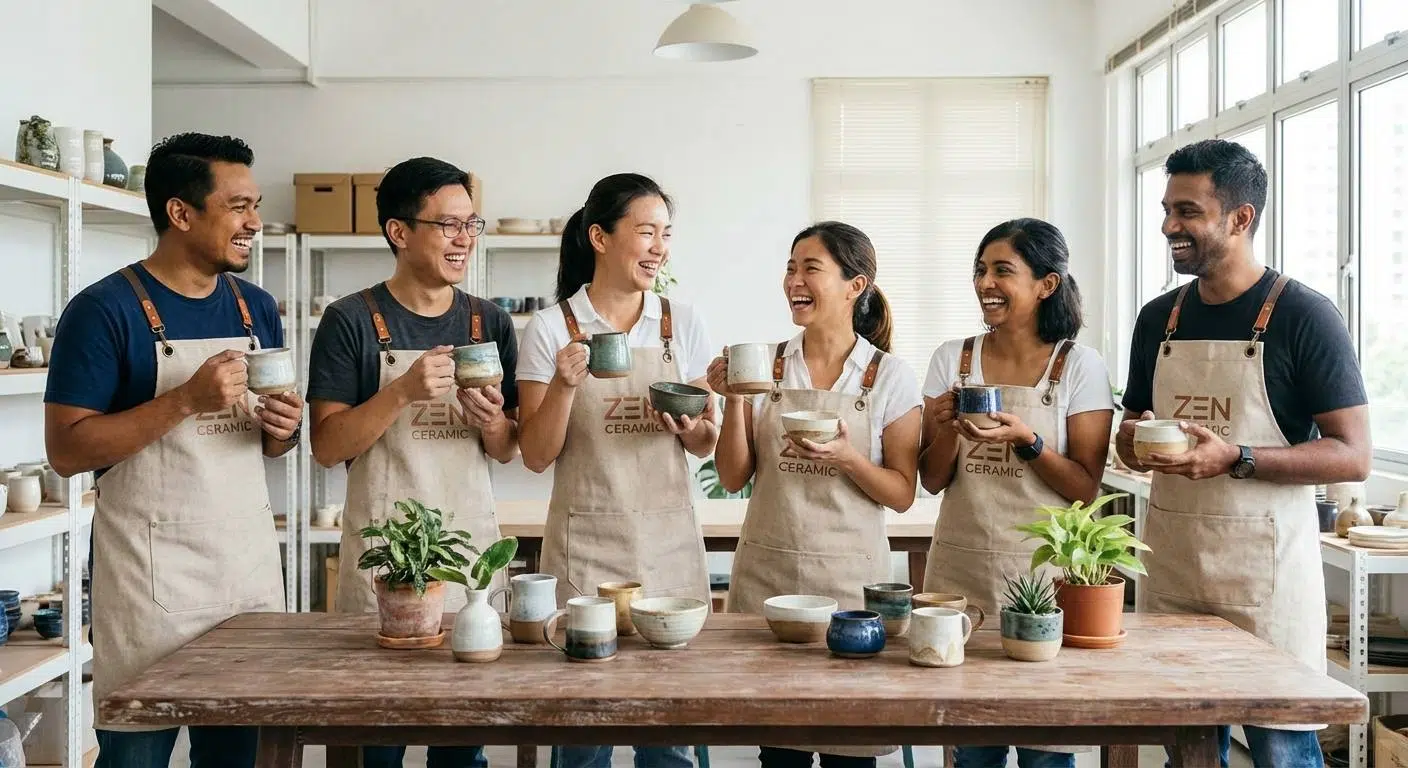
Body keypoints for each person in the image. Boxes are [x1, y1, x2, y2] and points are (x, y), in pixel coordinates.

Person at [43, 132, 297, 768]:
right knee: (136, 759)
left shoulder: (256, 307)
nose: (254, 223)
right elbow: (67, 450)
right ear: (181, 213)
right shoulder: (104, 311)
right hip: (149, 582)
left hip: (243, 572)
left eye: (255, 205)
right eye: (238, 206)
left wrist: (284, 428)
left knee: (240, 756)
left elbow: (271, 447)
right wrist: (184, 400)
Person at [1115, 139, 1371, 768]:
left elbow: (1353, 456)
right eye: (1167, 210)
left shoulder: (1303, 316)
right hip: (1173, 568)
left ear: (1241, 217)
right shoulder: (1158, 320)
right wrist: (1133, 445)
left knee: (1282, 747)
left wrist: (1237, 458)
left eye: (1188, 211)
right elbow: (1132, 425)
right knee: (1189, 750)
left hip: (1267, 579)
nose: (1171, 226)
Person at [307, 156, 517, 768]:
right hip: (385, 549)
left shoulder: (489, 321)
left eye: (471, 225)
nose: (463, 239)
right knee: (376, 735)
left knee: (462, 740)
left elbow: (508, 450)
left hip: (468, 544)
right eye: (448, 225)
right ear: (400, 232)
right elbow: (327, 446)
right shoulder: (350, 320)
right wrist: (400, 391)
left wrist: (493, 421)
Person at [516, 172, 714, 768]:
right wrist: (563, 383)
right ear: (599, 238)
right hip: (587, 553)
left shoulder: (683, 323)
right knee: (582, 737)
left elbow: (706, 441)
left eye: (666, 234)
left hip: (668, 548)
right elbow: (535, 453)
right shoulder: (552, 329)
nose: (659, 247)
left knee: (671, 739)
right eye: (646, 231)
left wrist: (690, 427)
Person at [710, 221, 922, 768]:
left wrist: (848, 457)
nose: (793, 280)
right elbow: (733, 477)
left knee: (850, 747)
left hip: (850, 584)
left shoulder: (888, 375)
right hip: (770, 577)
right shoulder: (767, 364)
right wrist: (737, 395)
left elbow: (901, 493)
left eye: (810, 268)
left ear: (857, 285)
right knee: (778, 751)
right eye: (790, 266)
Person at [919, 217, 1113, 768]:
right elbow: (932, 480)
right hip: (961, 572)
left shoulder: (1078, 364)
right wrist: (945, 431)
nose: (986, 283)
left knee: (1044, 750)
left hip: (1043, 576)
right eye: (981, 270)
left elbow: (1083, 487)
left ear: (1046, 284)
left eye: (1003, 271)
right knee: (970, 747)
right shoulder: (952, 360)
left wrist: (1028, 441)